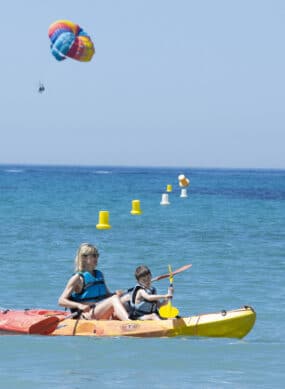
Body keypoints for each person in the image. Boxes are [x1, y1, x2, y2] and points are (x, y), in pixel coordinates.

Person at [58, 243, 129, 320]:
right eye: (94, 255)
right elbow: (61, 301)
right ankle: (129, 322)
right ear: (84, 258)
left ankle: (136, 321)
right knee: (114, 299)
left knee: (126, 298)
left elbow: (107, 295)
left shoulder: (99, 274)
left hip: (100, 311)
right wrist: (79, 305)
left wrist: (116, 293)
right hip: (87, 315)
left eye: (97, 255)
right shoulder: (77, 278)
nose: (96, 258)